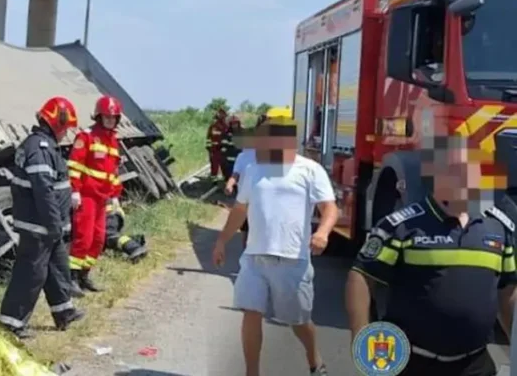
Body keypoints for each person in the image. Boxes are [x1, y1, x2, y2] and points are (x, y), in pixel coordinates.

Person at [345, 132, 517, 376]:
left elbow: (508, 292)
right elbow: (362, 276)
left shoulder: (498, 228)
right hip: (412, 362)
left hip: (475, 364)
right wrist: (361, 336)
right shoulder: (400, 226)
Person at [212, 107, 337, 376]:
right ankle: (252, 373)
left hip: (293, 260)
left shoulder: (310, 170)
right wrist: (222, 241)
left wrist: (323, 232)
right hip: (254, 258)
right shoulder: (254, 169)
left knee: (299, 321)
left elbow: (329, 208)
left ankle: (314, 359)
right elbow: (240, 209)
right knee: (251, 313)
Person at [0, 96, 86, 339]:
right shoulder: (39, 148)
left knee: (58, 268)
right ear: (57, 122)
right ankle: (12, 322)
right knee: (31, 273)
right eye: (66, 127)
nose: (66, 133)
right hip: (39, 225)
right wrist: (54, 223)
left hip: (49, 225)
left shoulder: (44, 145)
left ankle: (63, 311)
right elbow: (43, 191)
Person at [66, 95, 124, 295]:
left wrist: (115, 195)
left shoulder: (113, 140)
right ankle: (71, 279)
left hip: (102, 198)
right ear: (99, 116)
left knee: (98, 239)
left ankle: (84, 275)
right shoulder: (86, 137)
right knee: (83, 237)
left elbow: (113, 172)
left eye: (113, 117)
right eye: (106, 117)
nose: (110, 120)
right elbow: (74, 165)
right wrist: (75, 191)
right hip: (86, 196)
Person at [207, 108, 228, 178]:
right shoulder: (214, 126)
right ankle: (214, 183)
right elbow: (209, 138)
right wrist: (209, 150)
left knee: (225, 167)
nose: (223, 117)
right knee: (214, 168)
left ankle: (225, 181)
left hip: (223, 150)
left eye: (224, 116)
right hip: (214, 150)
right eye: (222, 115)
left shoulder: (226, 126)